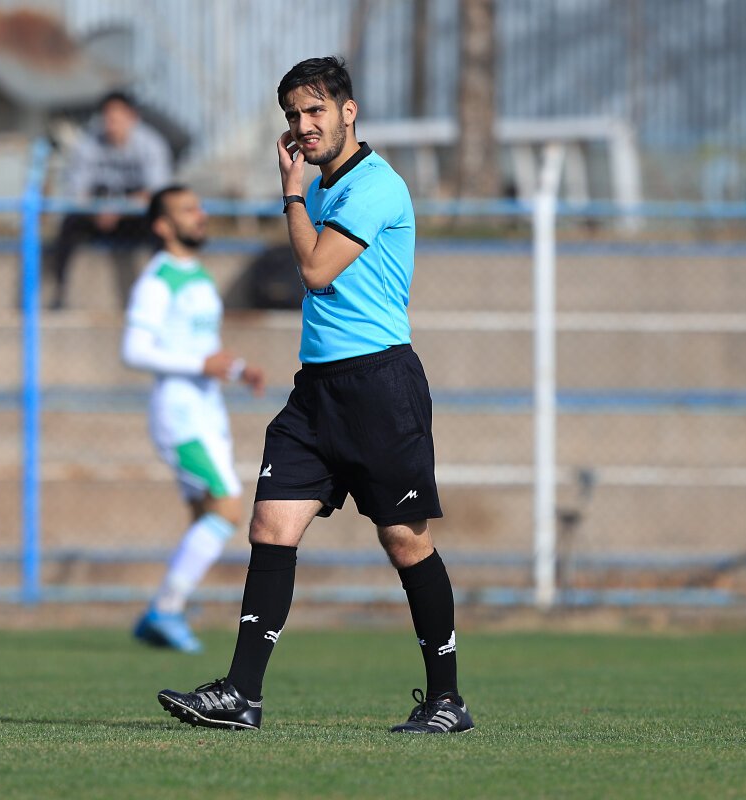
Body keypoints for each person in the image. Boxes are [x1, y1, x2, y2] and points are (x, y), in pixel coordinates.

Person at [157, 56, 474, 734]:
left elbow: (317, 270)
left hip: (381, 387)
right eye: (294, 116)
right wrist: (302, 192)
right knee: (270, 525)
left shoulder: (375, 185)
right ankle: (242, 695)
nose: (303, 126)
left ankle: (447, 699)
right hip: (317, 391)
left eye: (315, 111)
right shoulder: (325, 185)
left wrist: (291, 193)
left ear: (348, 111)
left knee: (404, 541)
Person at [125, 185, 265, 653]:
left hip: (207, 410)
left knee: (205, 512)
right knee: (227, 507)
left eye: (199, 206)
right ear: (163, 226)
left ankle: (169, 611)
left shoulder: (198, 276)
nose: (200, 215)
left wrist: (238, 369)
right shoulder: (157, 280)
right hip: (180, 414)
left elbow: (202, 348)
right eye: (187, 210)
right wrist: (200, 365)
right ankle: (165, 609)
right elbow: (134, 350)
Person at [49, 90, 174, 310]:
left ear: (132, 117)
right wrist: (97, 210)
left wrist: (120, 208)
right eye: (107, 116)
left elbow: (157, 192)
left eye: (118, 117)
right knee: (68, 225)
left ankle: (165, 292)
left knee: (162, 226)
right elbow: (76, 191)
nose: (112, 122)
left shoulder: (151, 144)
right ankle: (58, 292)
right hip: (96, 216)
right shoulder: (88, 143)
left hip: (134, 218)